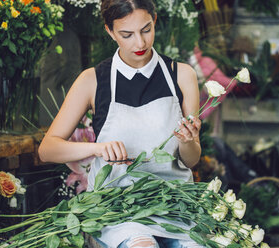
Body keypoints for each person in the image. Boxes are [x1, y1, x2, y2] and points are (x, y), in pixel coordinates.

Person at [38, 0, 202, 247]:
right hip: (117, 208)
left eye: (146, 30)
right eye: (127, 34)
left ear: (155, 20)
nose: (140, 43)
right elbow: (47, 149)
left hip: (174, 204)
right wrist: (97, 148)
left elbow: (191, 160)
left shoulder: (182, 75)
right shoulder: (92, 81)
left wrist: (189, 142)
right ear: (110, 31)